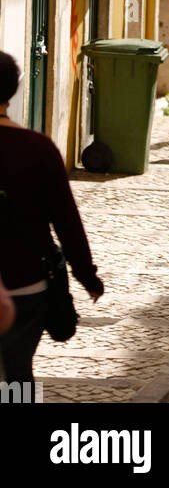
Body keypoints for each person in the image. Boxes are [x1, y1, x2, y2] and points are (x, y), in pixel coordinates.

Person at [0, 52, 104, 383]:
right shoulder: (38, 149)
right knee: (17, 372)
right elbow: (66, 222)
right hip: (28, 281)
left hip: (25, 282)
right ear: (13, 90)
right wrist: (87, 276)